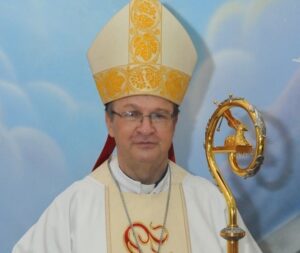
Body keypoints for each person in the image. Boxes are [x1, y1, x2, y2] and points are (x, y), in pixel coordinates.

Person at [12, 0, 263, 252]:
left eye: (159, 115)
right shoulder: (74, 208)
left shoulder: (209, 204)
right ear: (109, 122)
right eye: (132, 114)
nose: (146, 128)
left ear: (174, 123)